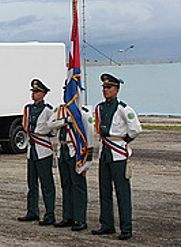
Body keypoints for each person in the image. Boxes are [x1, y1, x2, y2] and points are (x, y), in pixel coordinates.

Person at [92, 73, 142, 240]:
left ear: (117, 90)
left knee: (122, 192)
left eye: (109, 87)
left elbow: (135, 128)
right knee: (104, 190)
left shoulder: (123, 108)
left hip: (118, 151)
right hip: (105, 152)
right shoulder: (99, 108)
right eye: (104, 88)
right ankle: (107, 224)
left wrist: (125, 139)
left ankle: (126, 228)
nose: (105, 90)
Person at [52, 91, 94, 231]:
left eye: (69, 91)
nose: (66, 93)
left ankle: (80, 219)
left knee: (78, 186)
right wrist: (63, 121)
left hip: (75, 151)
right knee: (66, 184)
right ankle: (67, 216)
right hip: (62, 150)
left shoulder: (83, 112)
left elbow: (89, 134)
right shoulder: (60, 111)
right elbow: (49, 125)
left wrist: (88, 157)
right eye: (64, 91)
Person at [18, 79, 57, 226]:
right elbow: (26, 125)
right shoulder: (28, 109)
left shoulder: (48, 110)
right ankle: (32, 211)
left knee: (46, 183)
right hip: (32, 149)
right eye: (33, 91)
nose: (33, 94)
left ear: (43, 94)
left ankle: (50, 213)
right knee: (32, 183)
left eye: (37, 92)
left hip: (43, 149)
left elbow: (52, 130)